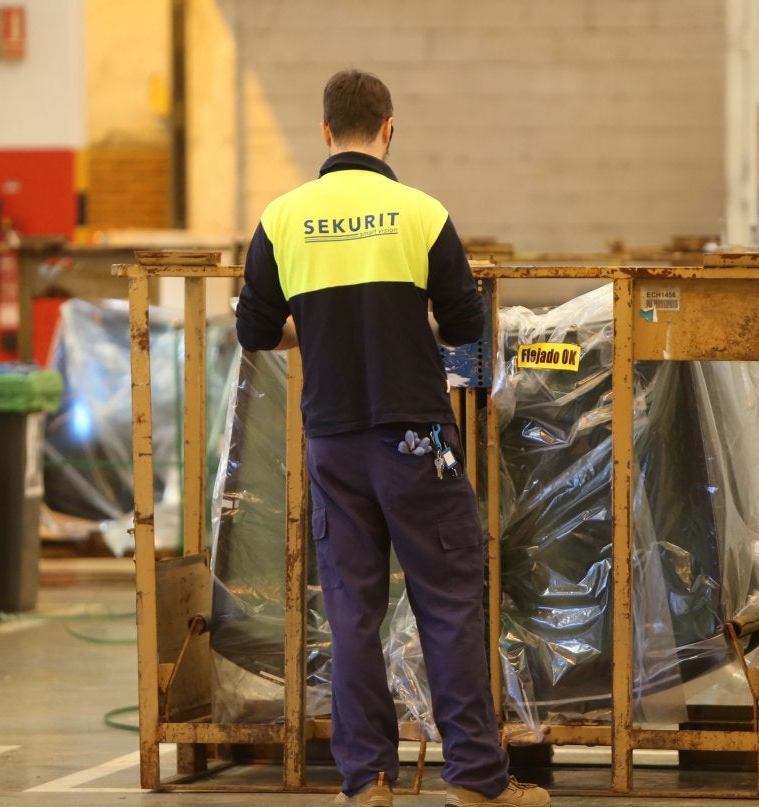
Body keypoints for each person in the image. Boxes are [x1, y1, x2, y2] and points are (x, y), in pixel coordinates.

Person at [236, 69, 550, 807]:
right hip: (415, 441)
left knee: (351, 610)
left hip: (333, 442)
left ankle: (366, 779)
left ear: (324, 132)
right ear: (388, 128)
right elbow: (468, 323)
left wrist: (313, 331)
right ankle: (475, 778)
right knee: (447, 603)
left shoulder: (282, 218)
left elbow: (252, 331)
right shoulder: (420, 213)